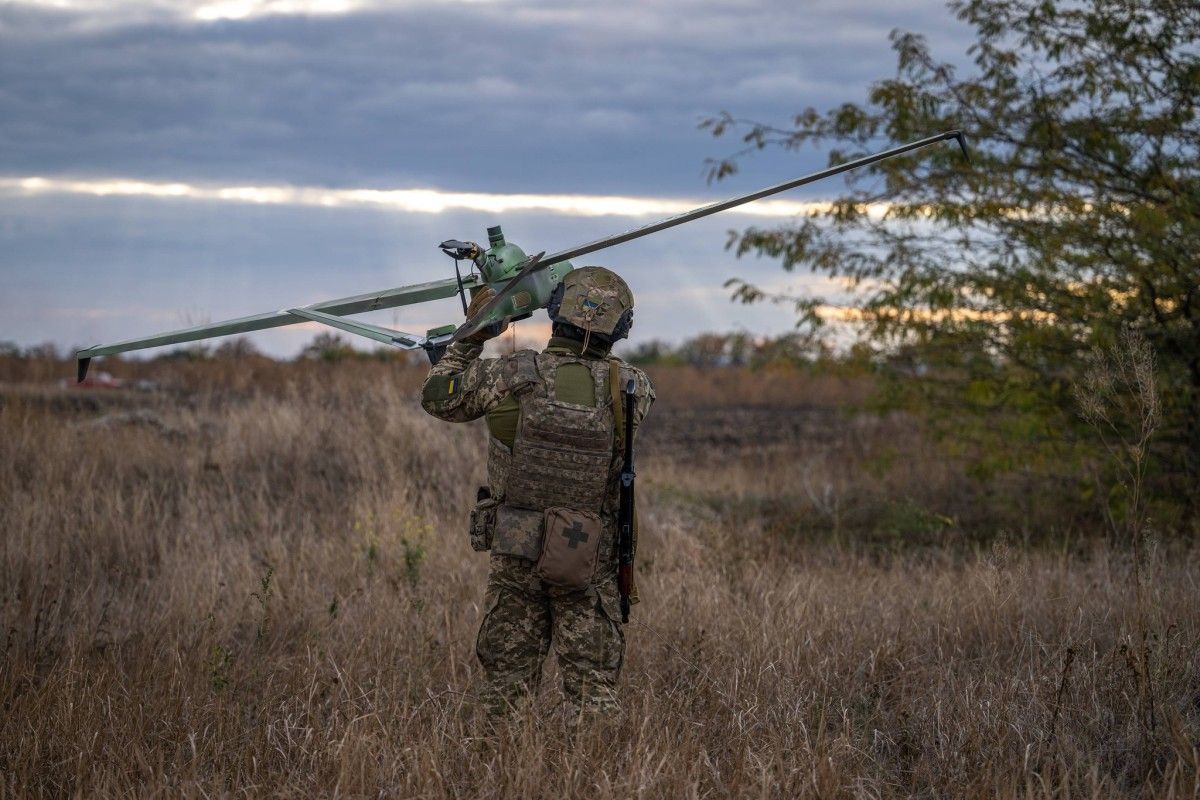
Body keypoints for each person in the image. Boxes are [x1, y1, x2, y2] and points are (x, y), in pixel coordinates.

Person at [420, 267, 653, 719]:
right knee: (592, 690)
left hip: (515, 550)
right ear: (621, 327)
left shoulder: (511, 375)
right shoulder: (632, 389)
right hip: (587, 556)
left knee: (505, 688)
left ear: (555, 311)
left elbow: (437, 396)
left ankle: (498, 773)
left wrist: (473, 333)